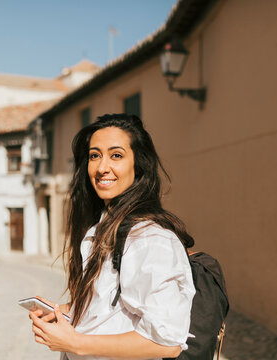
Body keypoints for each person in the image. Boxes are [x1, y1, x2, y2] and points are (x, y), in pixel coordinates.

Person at [30, 113, 195, 360]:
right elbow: (112, 308)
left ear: (138, 165)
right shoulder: (101, 229)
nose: (102, 167)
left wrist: (76, 343)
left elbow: (167, 343)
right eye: (95, 155)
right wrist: (67, 311)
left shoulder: (150, 239)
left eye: (116, 155)